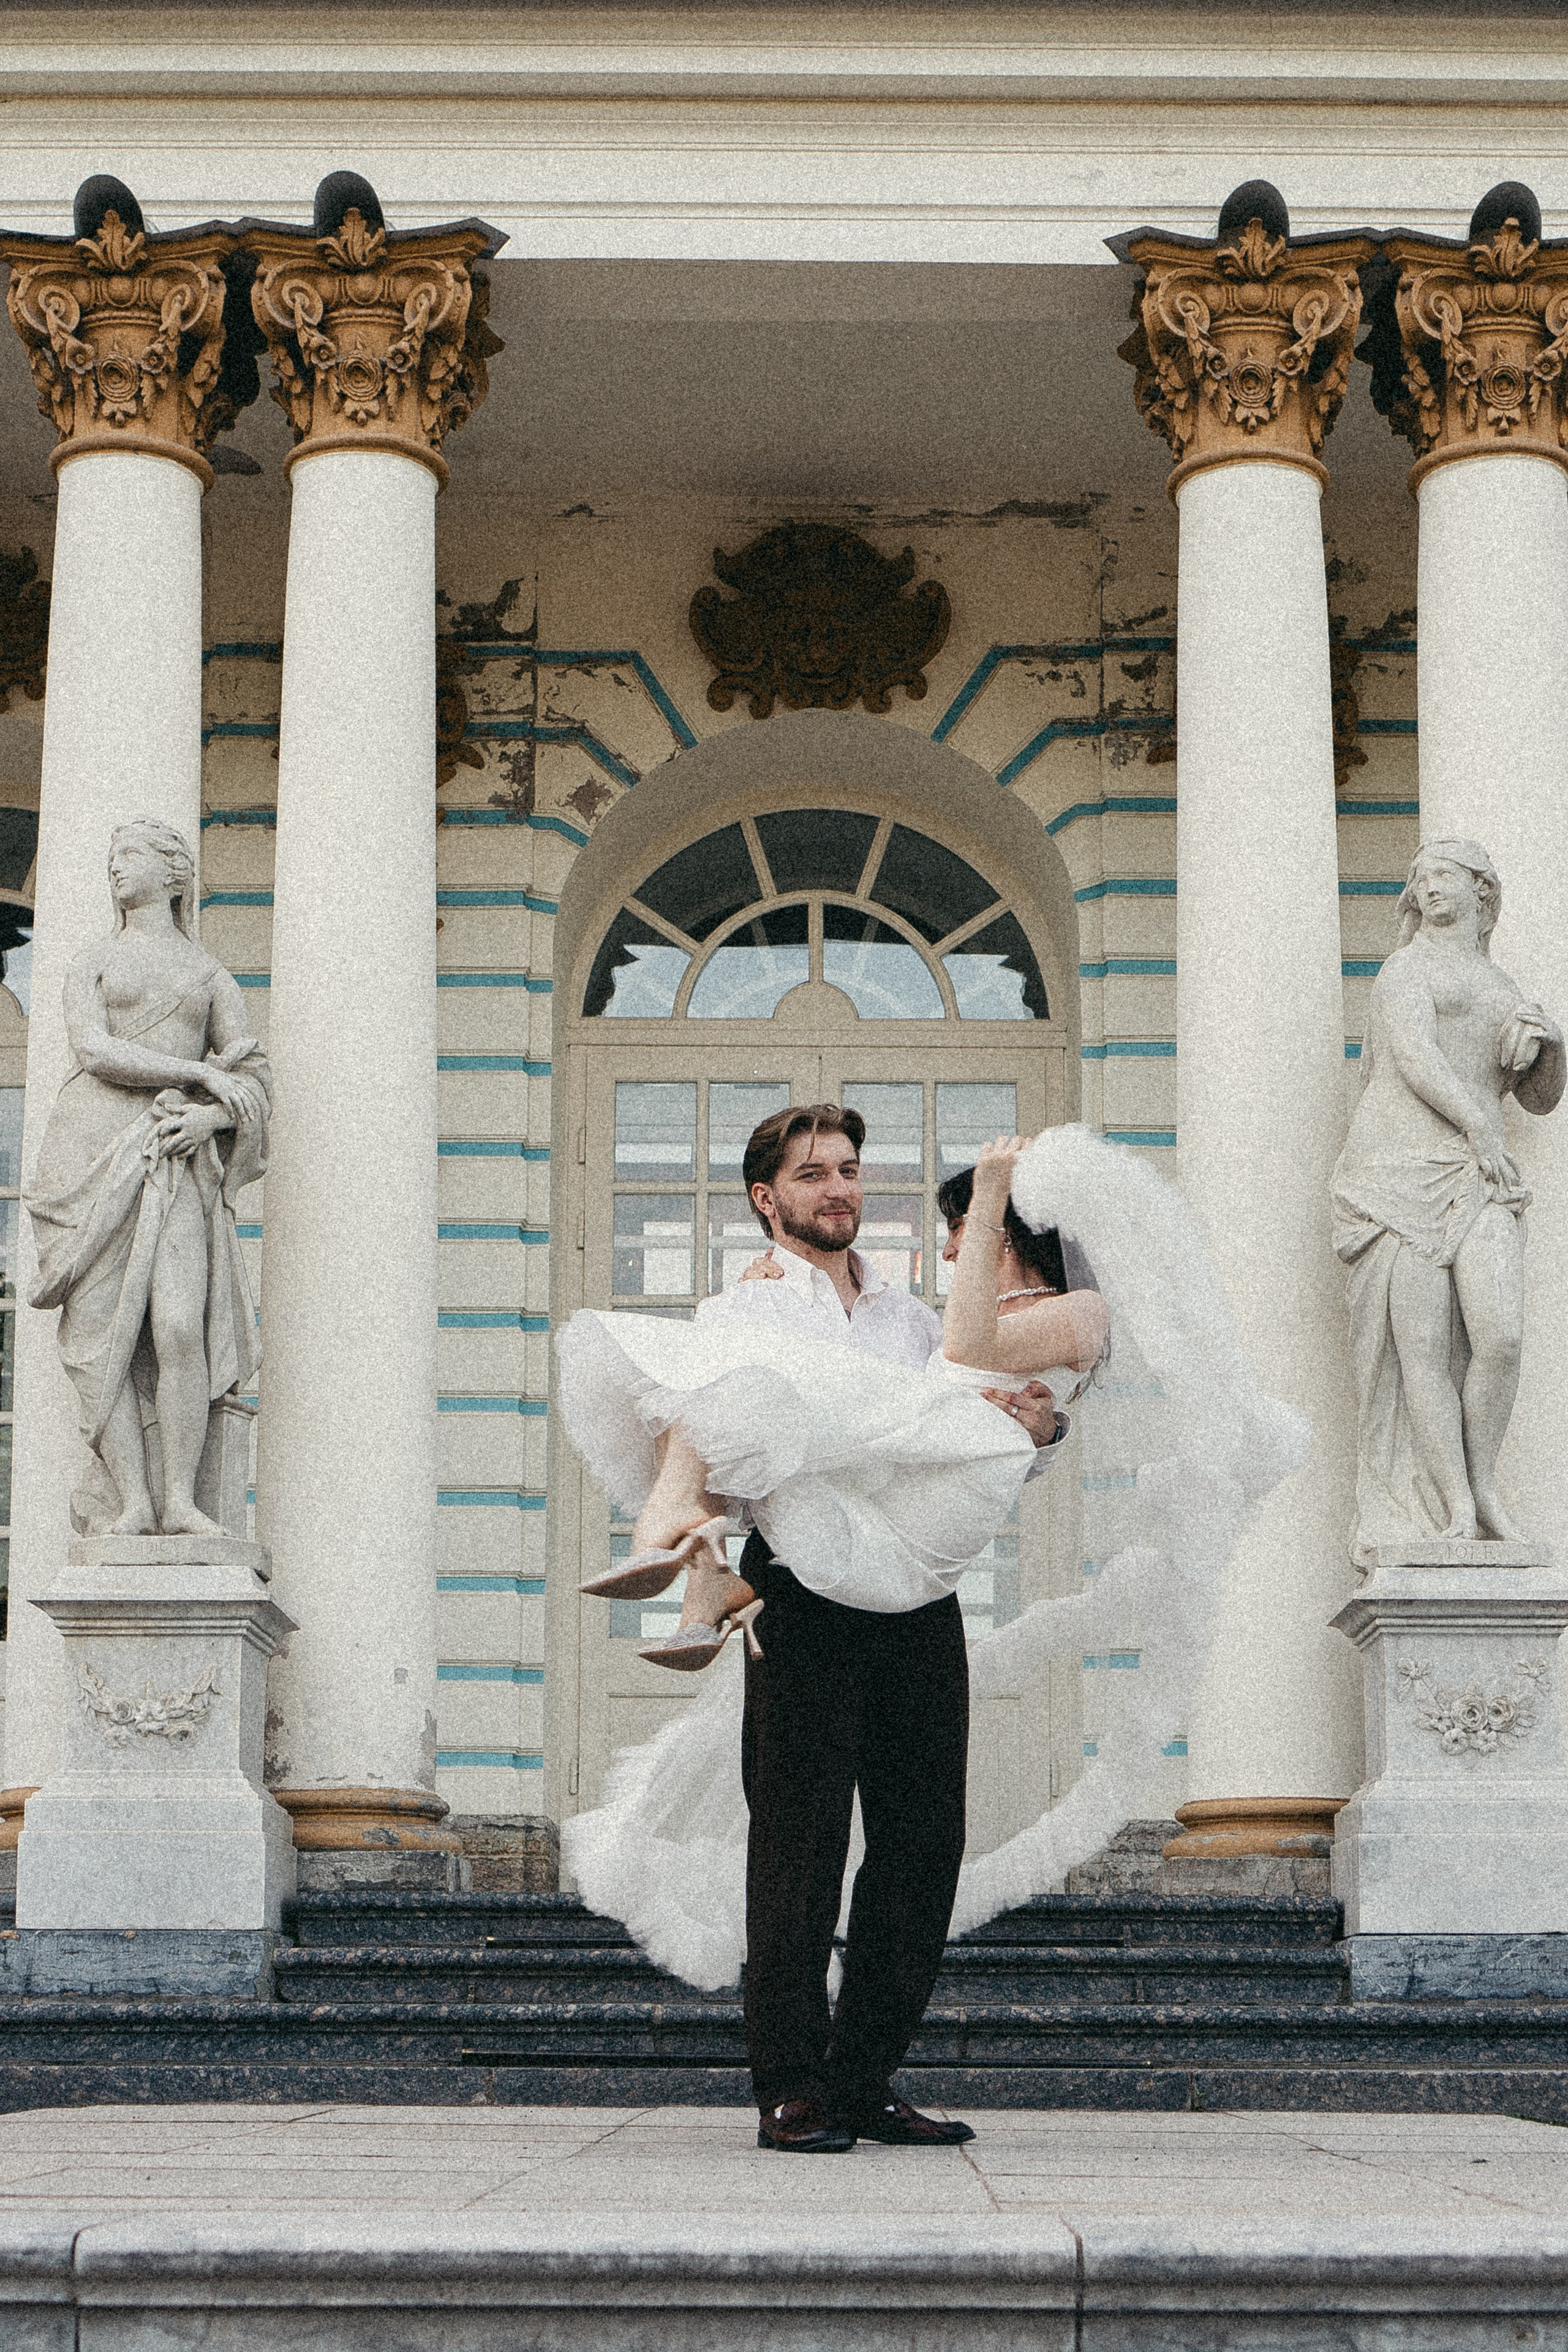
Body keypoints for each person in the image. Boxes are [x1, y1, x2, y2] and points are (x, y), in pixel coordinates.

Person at [556, 1104, 1106, 2154]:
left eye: (851, 1170)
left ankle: (866, 2077)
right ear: (768, 1200)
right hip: (802, 1592)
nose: (839, 1189)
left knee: (922, 1842)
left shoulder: (913, 1321)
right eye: (814, 1175)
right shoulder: (742, 1311)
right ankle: (792, 2085)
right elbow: (723, 1432)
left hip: (919, 1604)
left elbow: (973, 1432)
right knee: (799, 1843)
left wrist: (1046, 1426)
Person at [26, 819, 270, 1538]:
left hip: (175, 1159)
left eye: (127, 856)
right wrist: (197, 1074)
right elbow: (94, 1049)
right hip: (90, 1154)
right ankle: (134, 1501)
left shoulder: (209, 975)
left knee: (176, 1326)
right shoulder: (92, 962)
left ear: (175, 875)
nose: (113, 870)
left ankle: (182, 1501)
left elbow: (253, 1076)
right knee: (107, 1341)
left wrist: (209, 1122)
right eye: (109, 860)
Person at [1330, 839, 1564, 1567]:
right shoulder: (1406, 968)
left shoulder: (1503, 987)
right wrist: (1476, 1124)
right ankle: (1457, 1505)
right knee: (1421, 1349)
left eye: (1443, 875)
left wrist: (1551, 1048)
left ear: (1482, 891)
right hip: (1396, 1169)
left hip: (1478, 1171)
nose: (1427, 887)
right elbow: (1413, 1055)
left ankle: (1485, 1483)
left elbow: (1538, 1098)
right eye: (1419, 878)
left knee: (1500, 1337)